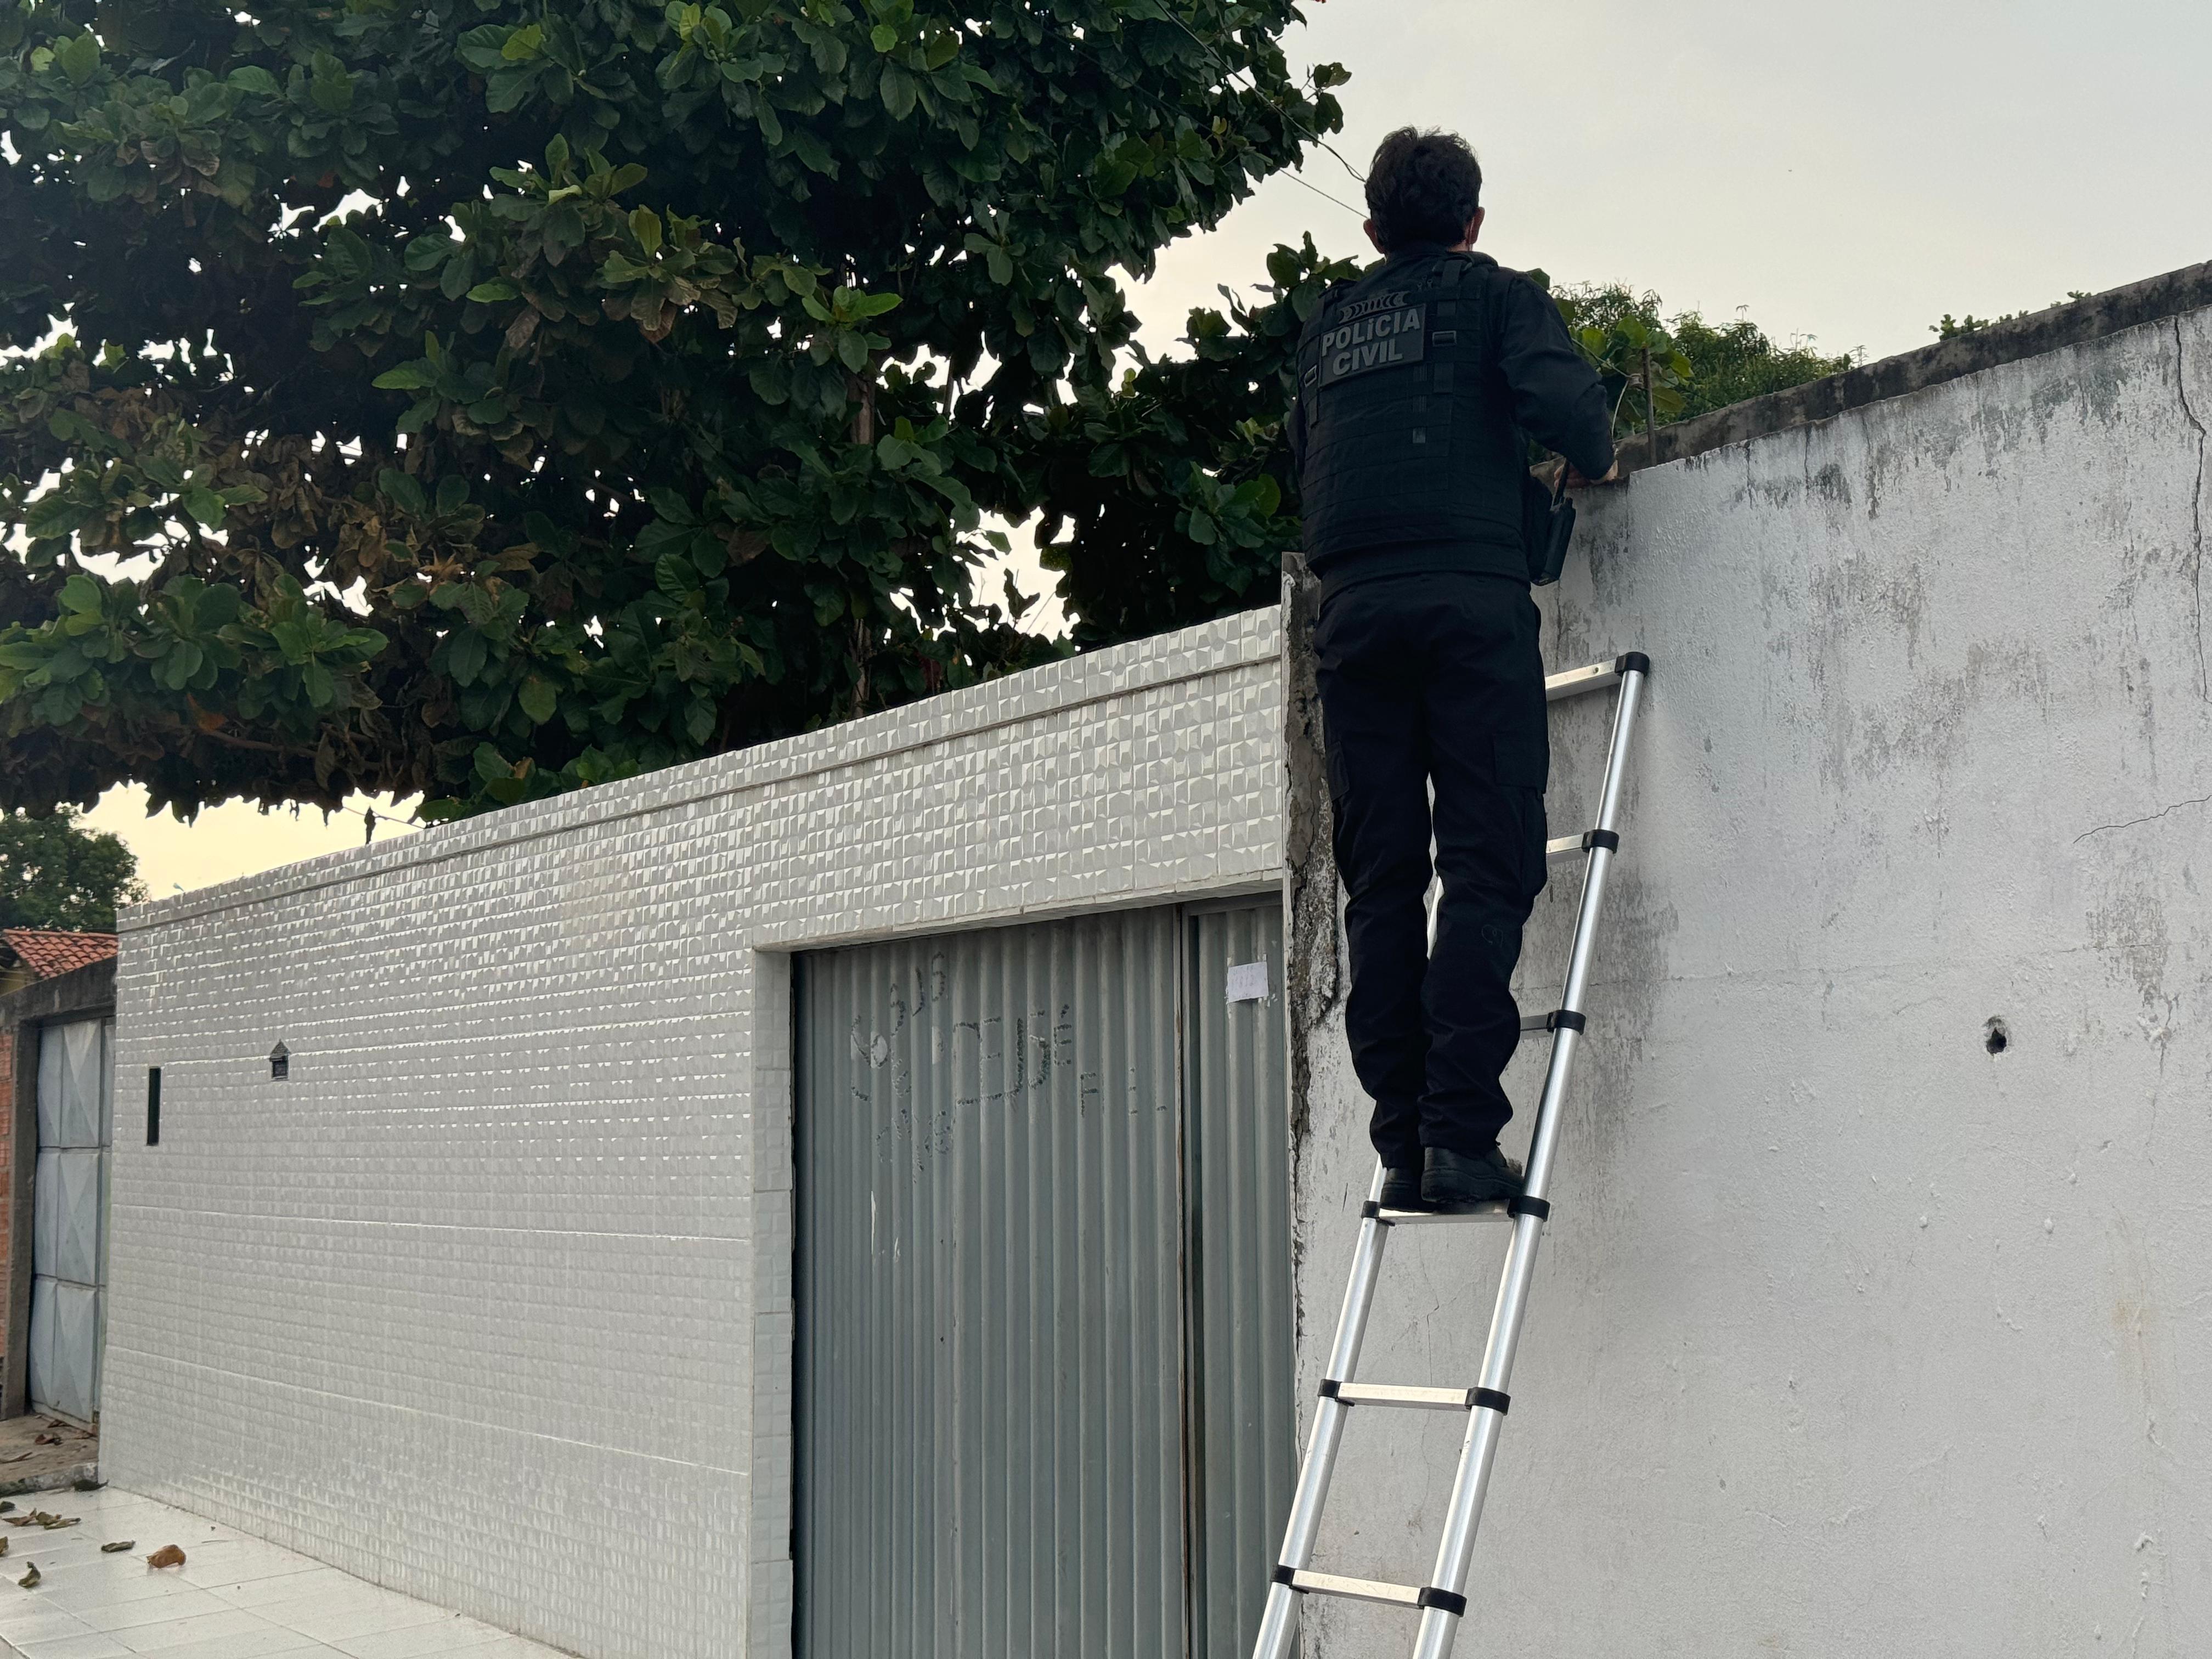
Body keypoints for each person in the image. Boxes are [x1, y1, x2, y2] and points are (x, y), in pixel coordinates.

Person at [1289, 128, 1615, 1212]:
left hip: (1354, 615)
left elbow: (1306, 462)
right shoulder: (1496, 296)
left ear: (1374, 230)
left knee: (1382, 881)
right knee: (1489, 863)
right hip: (1470, 607)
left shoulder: (1329, 328)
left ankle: (1401, 1145)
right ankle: (1459, 1139)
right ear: (1475, 222)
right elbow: (1583, 423)